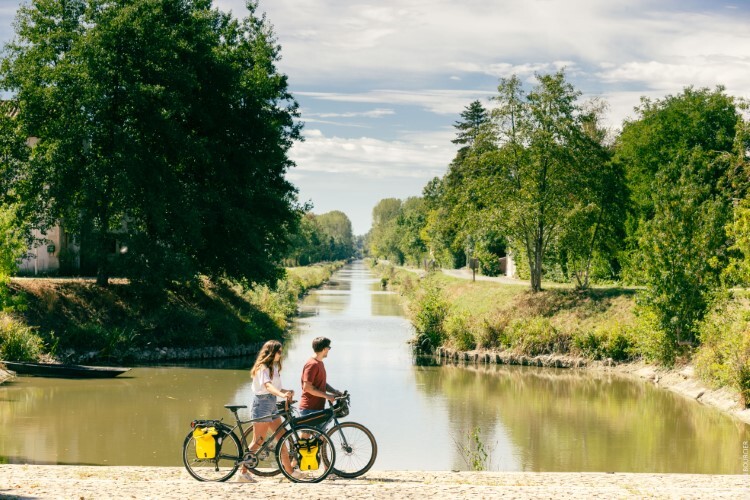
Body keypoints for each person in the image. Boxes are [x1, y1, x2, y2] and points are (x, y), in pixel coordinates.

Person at [237, 340, 294, 483]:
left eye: (281, 352)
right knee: (258, 441)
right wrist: (281, 395)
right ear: (271, 352)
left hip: (271, 404)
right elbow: (267, 387)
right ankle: (242, 472)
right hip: (262, 404)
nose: (280, 355)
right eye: (279, 352)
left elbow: (276, 389)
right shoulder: (262, 368)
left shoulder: (273, 368)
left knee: (282, 437)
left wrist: (287, 392)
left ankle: (291, 472)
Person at [299, 336, 341, 419]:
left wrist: (334, 391)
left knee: (314, 432)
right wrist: (327, 396)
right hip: (309, 408)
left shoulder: (319, 363)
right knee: (308, 432)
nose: (329, 350)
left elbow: (321, 383)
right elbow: (307, 387)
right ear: (324, 348)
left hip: (317, 408)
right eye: (328, 347)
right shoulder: (312, 364)